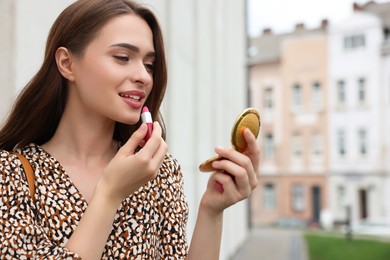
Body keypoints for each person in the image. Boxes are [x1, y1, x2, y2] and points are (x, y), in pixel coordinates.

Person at [0, 0, 260, 259]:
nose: (144, 77)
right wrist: (111, 192)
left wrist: (212, 211)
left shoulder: (158, 171)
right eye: (123, 57)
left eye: (149, 64)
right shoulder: (11, 175)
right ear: (67, 64)